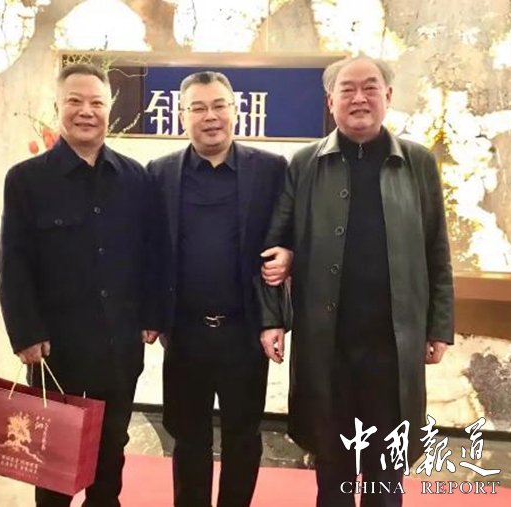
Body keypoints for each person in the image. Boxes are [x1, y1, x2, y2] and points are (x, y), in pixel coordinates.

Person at [259, 56, 454, 507]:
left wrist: (439, 326)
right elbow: (275, 246)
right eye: (347, 89)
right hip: (328, 345)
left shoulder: (417, 163)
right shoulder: (306, 163)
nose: (359, 98)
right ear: (330, 101)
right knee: (333, 468)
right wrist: (272, 319)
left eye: (370, 87)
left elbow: (436, 251)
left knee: (387, 471)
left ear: (388, 96)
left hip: (393, 347)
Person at [0, 63, 158, 507]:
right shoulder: (26, 180)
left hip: (119, 345)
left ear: (109, 109)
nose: (86, 111)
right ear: (58, 107)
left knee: (112, 451)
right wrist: (25, 333)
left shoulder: (135, 178)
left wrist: (152, 316)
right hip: (56, 351)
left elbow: (151, 254)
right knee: (52, 456)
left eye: (96, 103)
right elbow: (14, 263)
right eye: (75, 101)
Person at [145, 71, 290, 507]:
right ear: (182, 116)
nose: (210, 117)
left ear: (235, 110)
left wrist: (290, 255)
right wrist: (150, 314)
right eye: (198, 108)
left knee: (243, 437)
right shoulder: (160, 173)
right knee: (187, 436)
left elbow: (291, 232)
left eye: (218, 106)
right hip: (185, 332)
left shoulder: (270, 170)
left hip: (244, 331)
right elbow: (147, 247)